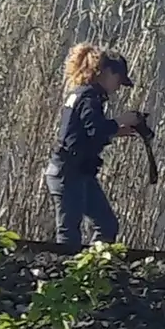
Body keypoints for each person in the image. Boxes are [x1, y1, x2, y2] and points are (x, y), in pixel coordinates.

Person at [47, 41, 146, 253]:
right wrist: (121, 120)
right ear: (108, 72)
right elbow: (96, 130)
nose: (118, 87)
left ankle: (92, 268)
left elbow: (85, 134)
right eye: (118, 80)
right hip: (68, 172)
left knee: (106, 224)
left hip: (76, 171)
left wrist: (116, 131)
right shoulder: (90, 97)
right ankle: (68, 275)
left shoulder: (81, 94)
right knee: (69, 234)